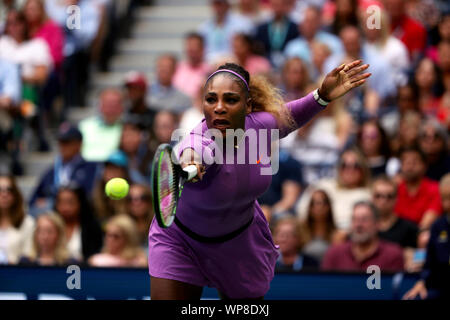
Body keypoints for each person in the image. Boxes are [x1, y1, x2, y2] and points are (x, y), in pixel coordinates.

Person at [148, 59, 371, 299]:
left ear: (248, 106)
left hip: (237, 244)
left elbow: (292, 114)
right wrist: (189, 163)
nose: (219, 107)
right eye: (211, 99)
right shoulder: (198, 139)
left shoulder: (260, 126)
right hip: (181, 242)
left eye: (230, 100)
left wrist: (323, 95)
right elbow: (194, 150)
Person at [29, 122, 98, 216]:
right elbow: (34, 200)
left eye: (67, 142)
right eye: (60, 142)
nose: (63, 147)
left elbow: (91, 196)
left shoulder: (91, 168)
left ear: (79, 144)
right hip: (53, 219)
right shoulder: (51, 171)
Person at [296, 148, 372, 231]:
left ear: (363, 169)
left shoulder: (368, 194)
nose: (349, 170)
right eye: (344, 165)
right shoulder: (323, 185)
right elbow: (302, 209)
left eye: (355, 166)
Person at [403, 173, 450, 300]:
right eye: (444, 198)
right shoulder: (438, 226)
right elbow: (429, 262)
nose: (447, 204)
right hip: (441, 287)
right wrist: (421, 281)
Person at [322, 201, 404, 272]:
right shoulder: (334, 254)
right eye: (355, 219)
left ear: (377, 224)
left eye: (364, 219)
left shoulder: (392, 255)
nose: (358, 225)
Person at [394, 147, 442, 229]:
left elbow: (426, 223)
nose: (409, 166)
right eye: (405, 162)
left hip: (420, 235)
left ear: (425, 166)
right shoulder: (394, 188)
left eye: (414, 162)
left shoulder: (435, 189)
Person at [54, 183, 103, 262]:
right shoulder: (50, 225)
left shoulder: (92, 228)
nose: (65, 207)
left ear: (80, 203)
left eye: (70, 202)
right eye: (61, 202)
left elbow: (94, 257)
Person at [79, 88, 124, 162]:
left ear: (121, 108)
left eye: (115, 105)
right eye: (108, 105)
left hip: (113, 169)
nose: (111, 109)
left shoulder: (127, 130)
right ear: (100, 106)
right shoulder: (84, 126)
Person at [372, 176, 418, 248]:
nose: (383, 201)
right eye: (378, 196)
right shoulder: (363, 226)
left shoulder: (409, 228)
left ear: (396, 199)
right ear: (371, 197)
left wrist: (414, 256)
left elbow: (423, 253)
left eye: (389, 196)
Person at [0, 175, 35, 264]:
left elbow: (29, 255)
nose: (4, 194)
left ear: (16, 194)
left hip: (16, 273)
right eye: (0, 190)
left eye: (9, 190)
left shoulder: (28, 223)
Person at [254, 0, 299, 68]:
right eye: (275, 5)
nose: (278, 8)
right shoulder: (262, 28)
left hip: (287, 62)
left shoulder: (294, 27)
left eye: (280, 5)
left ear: (285, 6)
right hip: (267, 63)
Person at [299, 189, 340, 263]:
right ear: (309, 208)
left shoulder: (338, 235)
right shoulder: (300, 232)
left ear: (329, 207)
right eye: (313, 203)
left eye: (321, 203)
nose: (318, 207)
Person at [91, 150, 130, 224]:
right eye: (108, 168)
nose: (111, 172)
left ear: (124, 172)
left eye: (115, 168)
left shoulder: (133, 196)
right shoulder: (94, 196)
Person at [173, 32, 210, 99]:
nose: (192, 49)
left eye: (195, 46)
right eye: (190, 46)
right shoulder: (177, 67)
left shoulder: (208, 71)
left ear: (202, 49)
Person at [126, 184, 153, 250]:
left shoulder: (159, 226)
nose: (136, 203)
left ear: (150, 201)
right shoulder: (120, 227)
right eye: (130, 199)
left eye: (143, 198)